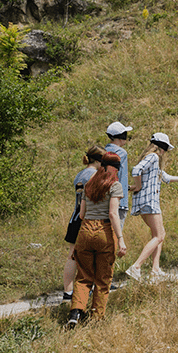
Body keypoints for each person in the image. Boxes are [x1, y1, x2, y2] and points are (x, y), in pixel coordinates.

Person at [67, 151, 127, 329]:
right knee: (103, 278)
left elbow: (82, 213)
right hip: (104, 231)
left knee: (83, 276)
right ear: (115, 168)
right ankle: (96, 318)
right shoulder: (114, 185)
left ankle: (75, 312)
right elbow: (112, 213)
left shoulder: (90, 184)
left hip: (85, 231)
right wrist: (121, 239)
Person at [125, 133, 178, 282]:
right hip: (150, 201)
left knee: (159, 234)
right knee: (159, 236)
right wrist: (139, 185)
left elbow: (166, 177)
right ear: (162, 148)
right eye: (166, 149)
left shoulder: (151, 160)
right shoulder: (153, 157)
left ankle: (155, 269)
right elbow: (136, 170)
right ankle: (136, 267)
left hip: (142, 202)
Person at [63, 146, 105, 301]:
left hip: (74, 218)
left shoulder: (80, 174)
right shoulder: (94, 175)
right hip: (87, 218)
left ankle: (68, 291)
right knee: (90, 256)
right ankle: (88, 288)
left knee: (72, 256)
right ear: (100, 160)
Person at [104, 121, 133, 223]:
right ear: (121, 136)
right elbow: (120, 176)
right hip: (119, 199)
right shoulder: (122, 153)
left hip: (104, 198)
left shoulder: (103, 151)